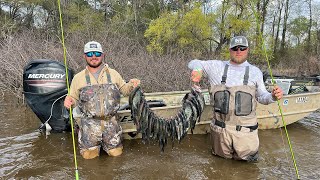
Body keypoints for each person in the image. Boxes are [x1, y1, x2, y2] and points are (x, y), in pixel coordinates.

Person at [188, 36, 283, 161]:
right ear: (230, 50)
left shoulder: (255, 72)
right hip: (220, 133)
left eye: (242, 48)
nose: (238, 51)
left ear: (247, 50)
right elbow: (192, 62)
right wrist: (198, 69)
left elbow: (262, 97)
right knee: (219, 167)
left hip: (246, 134)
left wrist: (273, 96)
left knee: (249, 171)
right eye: (235, 48)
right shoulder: (216, 66)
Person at [64, 41, 140, 159]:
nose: (94, 57)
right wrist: (69, 101)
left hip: (112, 124)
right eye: (90, 54)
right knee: (90, 158)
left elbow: (125, 90)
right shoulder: (78, 78)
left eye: (97, 53)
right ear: (84, 56)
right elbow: (73, 98)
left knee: (116, 155)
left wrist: (131, 84)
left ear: (103, 55)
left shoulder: (114, 74)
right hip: (89, 126)